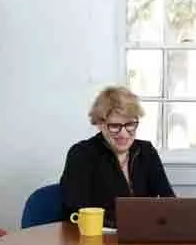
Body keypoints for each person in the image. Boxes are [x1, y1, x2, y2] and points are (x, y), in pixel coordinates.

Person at [60, 86, 175, 227]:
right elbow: (76, 210)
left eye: (130, 125)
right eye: (115, 126)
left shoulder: (146, 151)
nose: (124, 134)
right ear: (100, 125)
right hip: (99, 240)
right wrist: (133, 221)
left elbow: (170, 201)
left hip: (144, 239)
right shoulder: (81, 155)